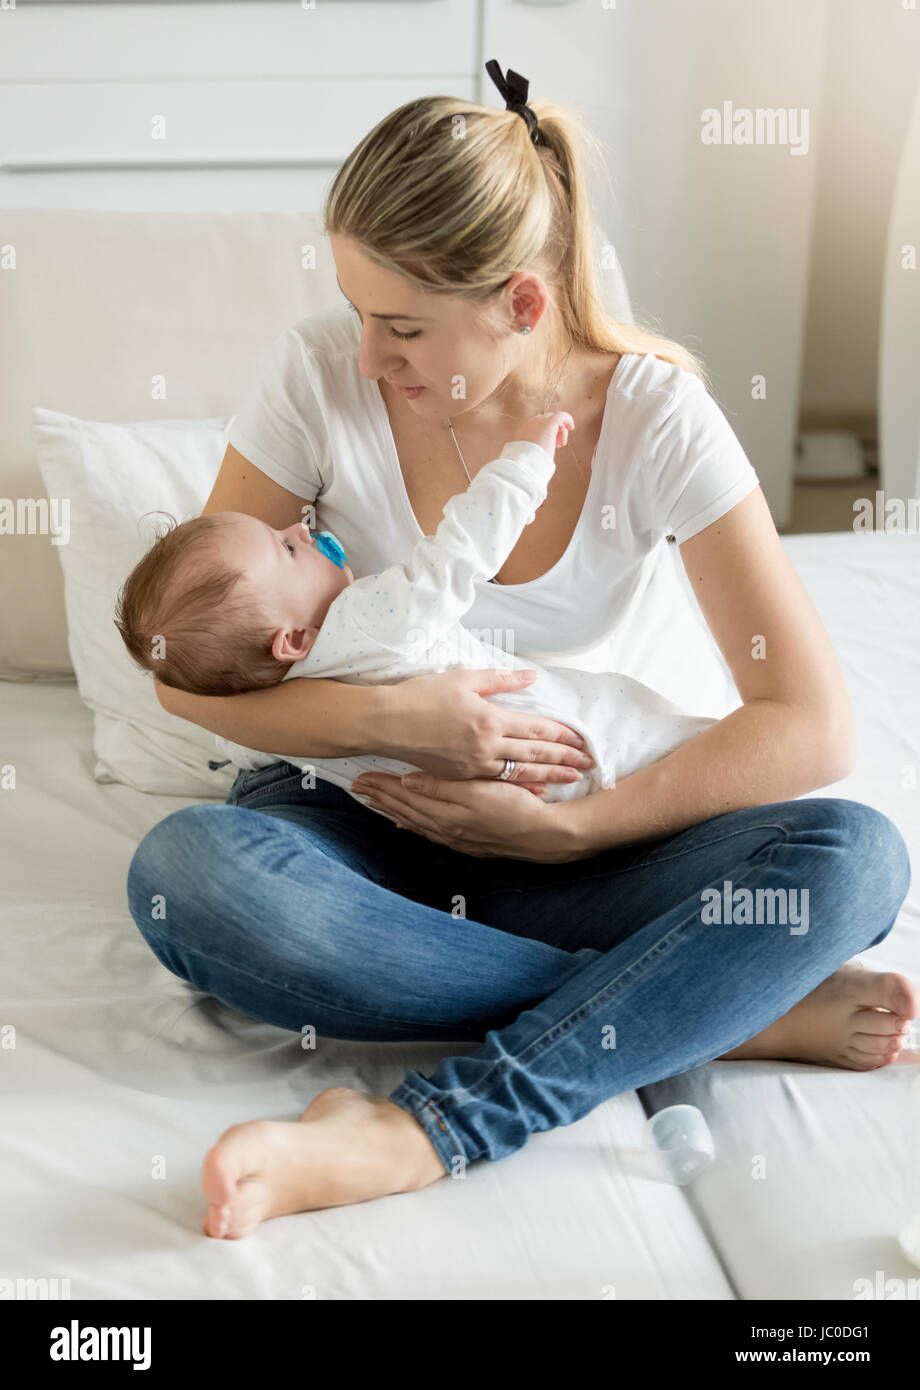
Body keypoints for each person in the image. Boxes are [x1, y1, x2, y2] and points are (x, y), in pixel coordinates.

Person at [126, 62, 915, 1241]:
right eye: (355, 314)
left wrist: (576, 828)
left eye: (399, 326)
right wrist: (391, 723)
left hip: (585, 826)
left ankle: (420, 1130)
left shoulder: (654, 417)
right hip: (361, 825)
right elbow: (189, 674)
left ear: (522, 305)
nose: (364, 358)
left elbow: (808, 722)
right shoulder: (311, 378)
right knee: (190, 875)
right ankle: (696, 1002)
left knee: (852, 857)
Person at [113, 410, 717, 807]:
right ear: (291, 640)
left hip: (520, 799)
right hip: (588, 740)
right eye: (286, 549)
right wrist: (524, 464)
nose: (301, 528)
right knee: (697, 754)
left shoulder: (274, 727)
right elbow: (459, 554)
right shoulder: (367, 619)